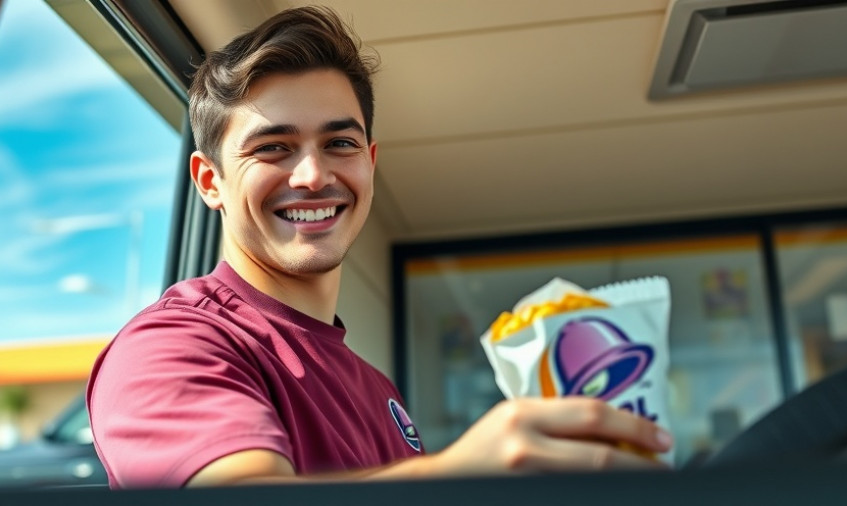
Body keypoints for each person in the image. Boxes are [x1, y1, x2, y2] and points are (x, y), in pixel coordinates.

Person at [86, 5, 673, 489]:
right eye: (273, 148)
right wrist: (456, 475)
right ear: (210, 181)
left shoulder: (377, 388)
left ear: (369, 163)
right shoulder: (171, 345)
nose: (313, 174)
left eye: (339, 141)